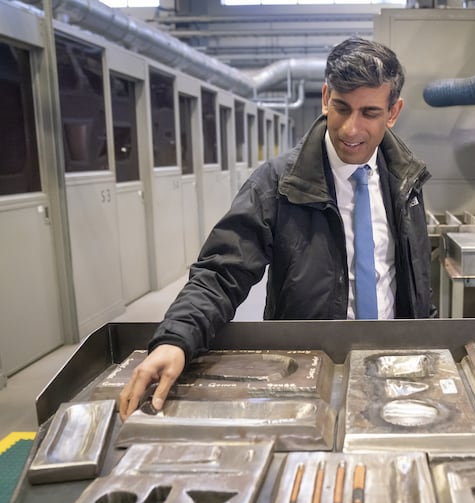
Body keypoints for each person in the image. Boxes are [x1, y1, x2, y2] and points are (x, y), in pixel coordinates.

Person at [118, 37, 435, 421]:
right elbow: (222, 271)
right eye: (341, 108)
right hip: (306, 368)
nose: (352, 128)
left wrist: (425, 349)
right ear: (324, 97)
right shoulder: (277, 182)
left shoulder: (405, 182)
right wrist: (176, 339)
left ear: (393, 111)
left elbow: (415, 281)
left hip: (393, 365)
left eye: (369, 113)